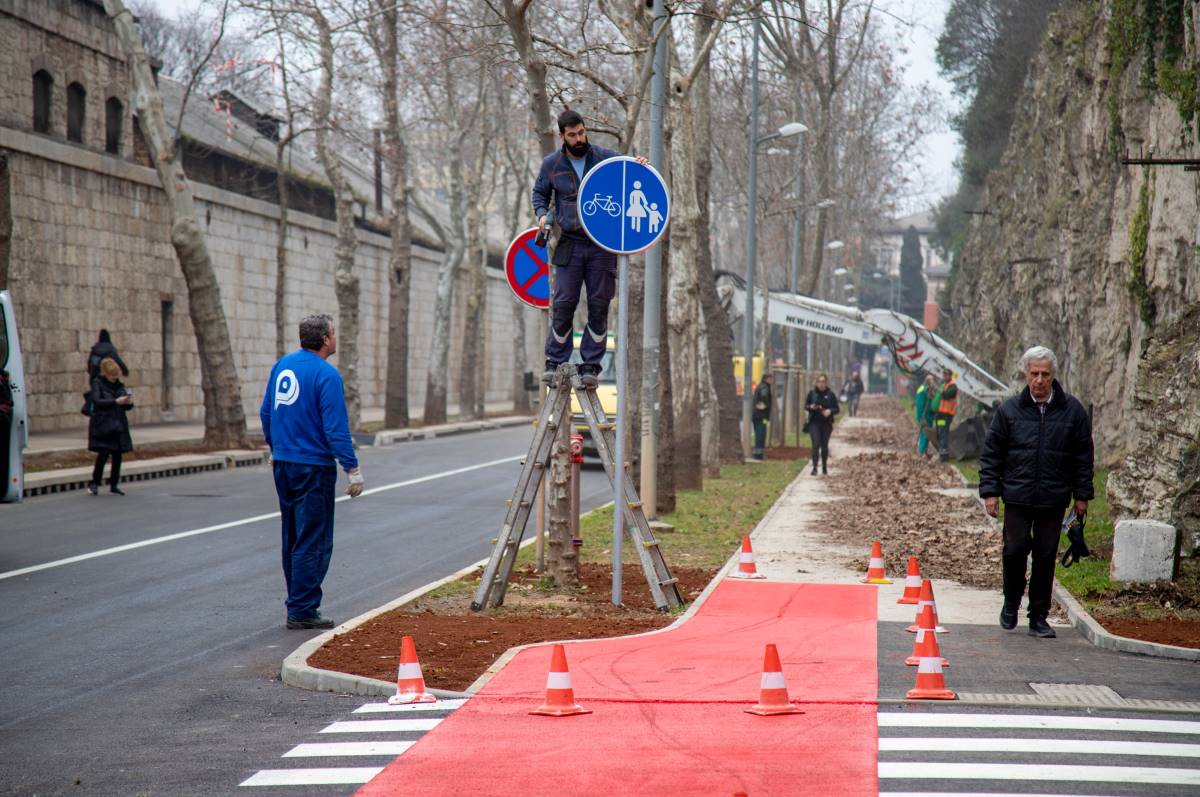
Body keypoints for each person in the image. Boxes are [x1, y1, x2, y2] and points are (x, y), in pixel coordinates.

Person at [979, 346, 1094, 639]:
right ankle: (1010, 602)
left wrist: (1082, 495)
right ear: (1025, 374)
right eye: (1034, 374)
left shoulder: (1073, 411)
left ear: (1053, 375)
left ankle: (1039, 617)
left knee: (1045, 556)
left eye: (1045, 374)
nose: (1039, 380)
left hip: (1053, 498)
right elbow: (992, 454)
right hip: (1017, 496)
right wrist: (990, 493)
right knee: (1014, 550)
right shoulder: (1009, 411)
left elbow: (1083, 456)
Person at [531, 109, 648, 389]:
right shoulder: (551, 165)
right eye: (572, 135)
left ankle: (590, 367)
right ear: (562, 136)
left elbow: (629, 172)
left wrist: (640, 164)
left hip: (601, 245)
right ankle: (554, 361)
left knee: (599, 305)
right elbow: (540, 193)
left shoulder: (605, 158)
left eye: (581, 132)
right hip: (570, 243)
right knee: (563, 303)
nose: (579, 138)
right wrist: (541, 214)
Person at [261, 314, 364, 630]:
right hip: (313, 467)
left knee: (291, 535)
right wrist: (352, 468)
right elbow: (335, 429)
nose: (335, 338)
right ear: (325, 339)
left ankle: (296, 602)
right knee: (313, 539)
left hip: (284, 464)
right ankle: (303, 609)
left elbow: (267, 412)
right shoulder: (326, 375)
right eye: (334, 333)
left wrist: (275, 446)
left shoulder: (282, 366)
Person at [86, 357, 133, 495]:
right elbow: (97, 400)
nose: (114, 378)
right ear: (105, 374)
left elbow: (126, 406)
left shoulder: (120, 386)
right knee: (104, 453)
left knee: (117, 455)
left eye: (116, 375)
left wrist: (128, 402)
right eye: (112, 375)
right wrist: (115, 401)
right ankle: (94, 483)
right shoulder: (98, 383)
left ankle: (114, 484)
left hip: (118, 423)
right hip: (104, 423)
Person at [804, 373, 840, 475]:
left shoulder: (830, 394)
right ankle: (814, 467)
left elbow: (837, 409)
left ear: (826, 382)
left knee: (824, 446)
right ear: (816, 382)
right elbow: (806, 406)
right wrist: (811, 407)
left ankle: (824, 466)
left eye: (823, 381)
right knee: (815, 444)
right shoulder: (812, 394)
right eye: (819, 381)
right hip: (814, 423)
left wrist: (829, 411)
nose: (821, 384)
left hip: (826, 424)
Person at [934, 366, 958, 461]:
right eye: (943, 375)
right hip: (941, 414)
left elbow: (946, 395)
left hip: (947, 415)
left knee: (943, 433)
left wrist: (936, 388)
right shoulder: (944, 385)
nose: (944, 376)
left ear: (950, 376)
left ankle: (944, 455)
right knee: (940, 432)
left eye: (946, 375)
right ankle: (941, 452)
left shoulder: (953, 387)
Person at [751, 372, 773, 461]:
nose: (772, 380)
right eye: (771, 379)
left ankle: (757, 452)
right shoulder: (764, 387)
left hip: (759, 415)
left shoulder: (760, 386)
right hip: (761, 416)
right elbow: (764, 395)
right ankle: (759, 454)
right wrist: (766, 404)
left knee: (759, 433)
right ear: (766, 379)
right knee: (761, 433)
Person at [914, 373, 938, 456]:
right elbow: (920, 405)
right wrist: (922, 417)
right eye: (932, 381)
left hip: (928, 415)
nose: (933, 382)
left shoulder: (926, 389)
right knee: (925, 433)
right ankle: (921, 451)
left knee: (926, 434)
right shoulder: (923, 390)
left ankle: (924, 451)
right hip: (924, 415)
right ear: (928, 381)